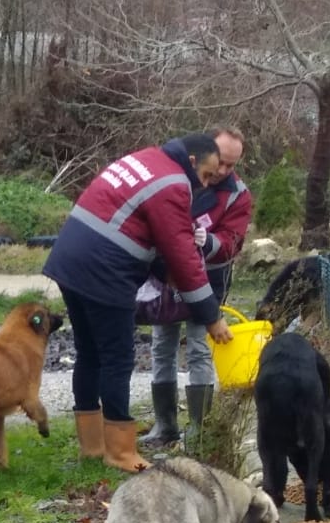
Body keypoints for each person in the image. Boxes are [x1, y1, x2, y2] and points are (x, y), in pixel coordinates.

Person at [41, 133, 228, 473]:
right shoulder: (174, 183)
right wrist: (212, 316)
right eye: (205, 175)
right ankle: (120, 451)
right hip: (103, 271)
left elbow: (140, 226)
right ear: (190, 162)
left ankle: (92, 445)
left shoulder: (146, 159)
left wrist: (161, 269)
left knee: (89, 353)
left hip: (70, 261)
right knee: (117, 357)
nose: (204, 185)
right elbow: (182, 255)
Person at [140, 127, 251, 448]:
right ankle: (165, 425)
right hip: (167, 275)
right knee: (162, 345)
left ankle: (199, 429)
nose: (223, 172)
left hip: (208, 281)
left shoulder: (237, 195)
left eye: (232, 165)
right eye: (221, 163)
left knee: (201, 350)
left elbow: (234, 242)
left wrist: (210, 242)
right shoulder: (176, 176)